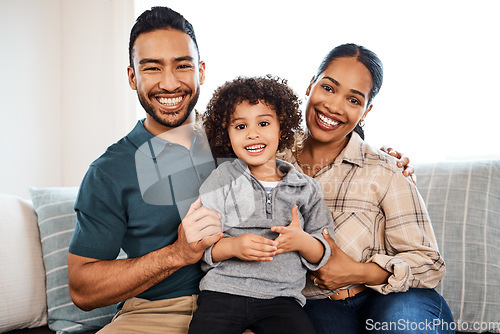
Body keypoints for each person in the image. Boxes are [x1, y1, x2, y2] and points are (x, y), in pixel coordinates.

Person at [67, 6, 414, 333]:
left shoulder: (235, 139)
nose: (170, 83)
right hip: (155, 312)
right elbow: (83, 291)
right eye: (152, 67)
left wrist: (383, 157)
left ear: (201, 71)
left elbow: (315, 143)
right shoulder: (109, 171)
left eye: (182, 65)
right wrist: (177, 253)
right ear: (132, 76)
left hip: (257, 303)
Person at [276, 43, 454, 333]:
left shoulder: (384, 169)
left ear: (366, 110)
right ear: (310, 86)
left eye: (354, 100)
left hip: (395, 297)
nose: (334, 106)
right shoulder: (268, 160)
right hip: (317, 304)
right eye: (329, 88)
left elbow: (429, 263)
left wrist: (356, 271)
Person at [188, 76, 332, 334]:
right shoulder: (220, 180)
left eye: (263, 123)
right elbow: (203, 247)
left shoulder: (306, 188)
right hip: (223, 292)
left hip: (282, 299)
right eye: (240, 126)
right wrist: (233, 245)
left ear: (282, 127)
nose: (252, 133)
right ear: (227, 133)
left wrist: (301, 241)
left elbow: (324, 251)